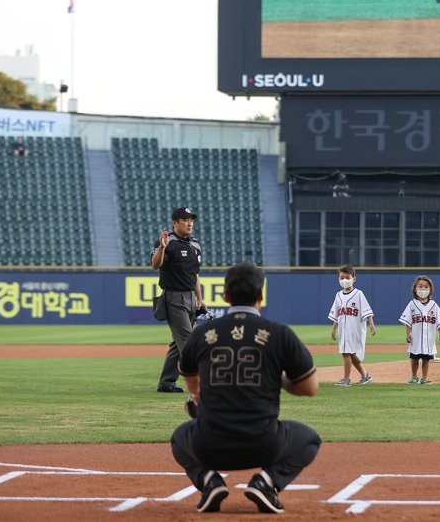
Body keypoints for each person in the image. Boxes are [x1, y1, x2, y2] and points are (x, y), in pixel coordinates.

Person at [170, 262, 322, 514]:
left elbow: (194, 388)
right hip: (264, 444)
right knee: (309, 439)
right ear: (261, 295)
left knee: (180, 437)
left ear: (225, 296)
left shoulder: (202, 334)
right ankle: (266, 483)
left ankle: (210, 482)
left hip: (210, 445)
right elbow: (309, 388)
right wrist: (279, 379)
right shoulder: (279, 334)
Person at [151, 207, 205, 393]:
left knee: (177, 344)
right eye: (184, 220)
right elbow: (155, 265)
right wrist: (162, 248)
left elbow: (195, 275)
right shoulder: (169, 242)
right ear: (175, 223)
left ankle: (166, 383)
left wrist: (200, 299)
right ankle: (204, 383)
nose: (189, 223)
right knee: (189, 342)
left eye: (191, 219)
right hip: (174, 297)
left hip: (190, 297)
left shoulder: (195, 245)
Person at [328, 264, 376, 386]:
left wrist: (371, 324)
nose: (344, 280)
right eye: (341, 277)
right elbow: (337, 315)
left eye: (347, 277)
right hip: (343, 329)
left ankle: (346, 379)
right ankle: (365, 375)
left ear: (354, 278)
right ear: (338, 279)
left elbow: (367, 311)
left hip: (354, 329)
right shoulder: (338, 295)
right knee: (351, 353)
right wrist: (333, 330)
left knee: (346, 353)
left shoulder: (358, 294)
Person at [398, 275, 440, 384]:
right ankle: (414, 377)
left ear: (430, 290)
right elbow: (408, 321)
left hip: (429, 339)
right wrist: (407, 334)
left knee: (426, 359)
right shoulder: (412, 304)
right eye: (420, 286)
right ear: (415, 289)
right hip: (416, 338)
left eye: (426, 287)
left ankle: (424, 378)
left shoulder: (433, 305)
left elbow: (439, 321)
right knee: (414, 358)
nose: (423, 289)